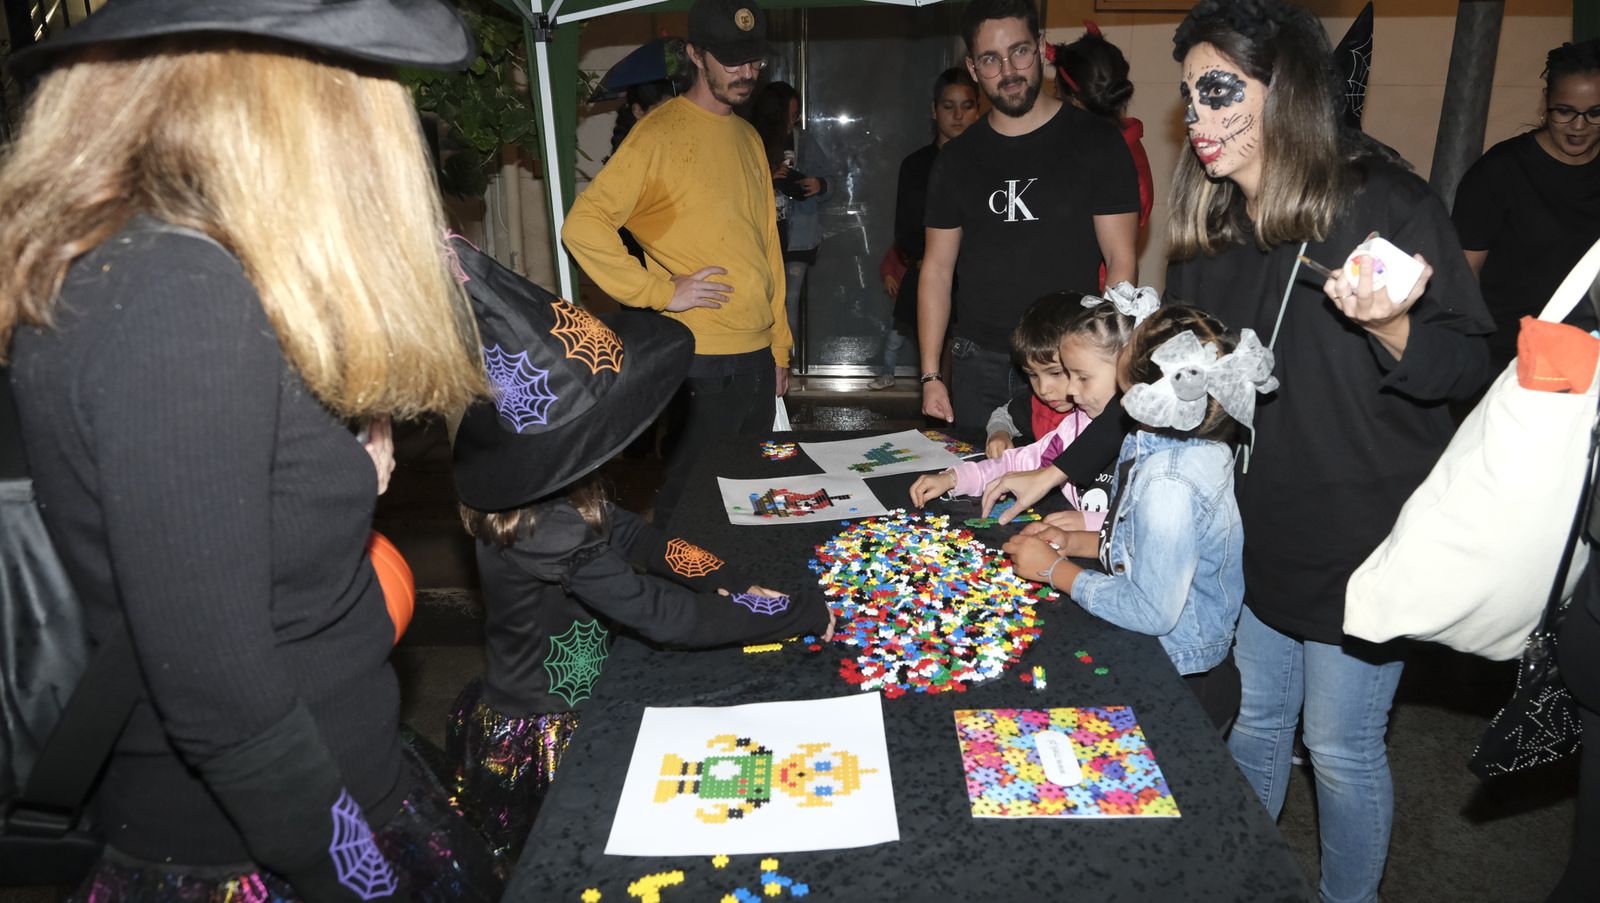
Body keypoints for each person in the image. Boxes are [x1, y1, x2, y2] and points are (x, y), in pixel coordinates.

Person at [0, 1, 503, 899]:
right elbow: (218, 689)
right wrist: (354, 875)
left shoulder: (167, 271)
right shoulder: (175, 294)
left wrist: (342, 467)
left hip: (319, 795)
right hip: (265, 849)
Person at [1163, 3, 1494, 900]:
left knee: (1342, 748)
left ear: (1288, 92)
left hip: (1364, 535)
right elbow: (1179, 380)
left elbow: (1468, 360)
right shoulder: (1215, 224)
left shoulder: (1383, 202)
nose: (1195, 115)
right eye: (1188, 94)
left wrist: (1393, 326)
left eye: (1218, 90)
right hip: (1260, 523)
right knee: (1260, 722)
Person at [443, 239, 834, 870]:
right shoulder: (544, 527)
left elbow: (635, 538)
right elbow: (664, 618)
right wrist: (795, 616)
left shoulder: (560, 493)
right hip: (547, 731)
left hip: (585, 685)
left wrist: (724, 578)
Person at [563, 0, 788, 527]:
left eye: (754, 60)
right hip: (702, 358)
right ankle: (670, 600)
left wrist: (779, 344)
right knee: (689, 504)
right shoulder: (659, 134)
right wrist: (660, 293)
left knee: (748, 500)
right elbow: (583, 225)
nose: (747, 72)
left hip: (756, 356)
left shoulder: (748, 136)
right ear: (695, 55)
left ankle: (733, 599)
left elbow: (767, 249)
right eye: (731, 59)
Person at [1003, 307, 1278, 730]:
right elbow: (1145, 547)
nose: (1072, 391)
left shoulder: (1169, 481)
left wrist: (1056, 571)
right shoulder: (1149, 440)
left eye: (1085, 377)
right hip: (1164, 659)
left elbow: (1152, 612)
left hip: (1183, 676)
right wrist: (1074, 543)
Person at [918, 0, 1140, 432]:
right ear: (973, 66)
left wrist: (1102, 361)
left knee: (1065, 493)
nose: (1008, 70)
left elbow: (1122, 261)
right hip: (976, 361)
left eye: (1019, 51)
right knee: (971, 493)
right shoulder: (955, 160)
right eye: (990, 59)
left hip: (1068, 362)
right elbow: (937, 270)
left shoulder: (1099, 143)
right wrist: (930, 374)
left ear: (1040, 47)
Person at [1454, 38, 1600, 368]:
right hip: (1509, 359)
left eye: (1595, 113)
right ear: (1546, 101)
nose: (1579, 126)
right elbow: (1464, 271)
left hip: (1589, 356)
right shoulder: (1500, 171)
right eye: (1564, 112)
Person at [909, 293, 1097, 512]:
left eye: (1056, 373)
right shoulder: (1041, 405)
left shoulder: (1102, 423)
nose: (1044, 389)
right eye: (1033, 375)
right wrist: (999, 433)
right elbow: (1015, 460)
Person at [875, 67, 980, 391]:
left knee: (970, 372)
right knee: (940, 369)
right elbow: (905, 229)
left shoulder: (990, 162)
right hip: (933, 273)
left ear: (979, 109)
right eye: (949, 106)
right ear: (934, 110)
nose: (959, 115)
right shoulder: (917, 165)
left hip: (979, 281)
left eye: (967, 105)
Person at [750, 80, 837, 354]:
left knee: (791, 298)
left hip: (800, 235)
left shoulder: (805, 141)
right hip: (764, 234)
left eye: (797, 113)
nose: (794, 119)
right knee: (763, 297)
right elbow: (736, 188)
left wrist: (819, 185)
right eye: (790, 113)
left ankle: (786, 360)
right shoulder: (751, 140)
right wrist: (767, 179)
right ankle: (764, 356)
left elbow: (831, 180)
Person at [1052, 22, 1154, 229]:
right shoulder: (1124, 149)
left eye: (1056, 91)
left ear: (1073, 99)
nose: (1053, 99)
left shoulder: (1109, 163)